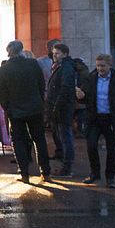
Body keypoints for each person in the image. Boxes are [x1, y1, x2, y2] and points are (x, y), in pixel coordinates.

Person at [0, 40, 51, 184]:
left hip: (15, 111)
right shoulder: (33, 64)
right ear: (21, 50)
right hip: (35, 108)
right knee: (39, 139)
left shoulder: (4, 69)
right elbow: (41, 84)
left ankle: (24, 173)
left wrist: (7, 107)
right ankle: (45, 172)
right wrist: (39, 100)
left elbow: (2, 93)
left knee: (19, 141)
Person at [81, 54, 115, 189]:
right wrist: (80, 96)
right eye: (98, 66)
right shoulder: (90, 79)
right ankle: (94, 173)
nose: (100, 69)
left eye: (103, 66)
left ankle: (110, 177)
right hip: (95, 118)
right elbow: (85, 99)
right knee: (91, 146)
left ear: (110, 65)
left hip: (111, 119)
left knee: (112, 149)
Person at [47, 43, 76, 177]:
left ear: (65, 54)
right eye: (54, 53)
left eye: (57, 53)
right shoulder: (60, 67)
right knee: (63, 136)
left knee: (65, 137)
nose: (54, 56)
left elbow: (65, 88)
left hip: (62, 108)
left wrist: (56, 106)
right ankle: (65, 164)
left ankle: (67, 166)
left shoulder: (66, 67)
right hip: (60, 107)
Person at [37, 38, 61, 157]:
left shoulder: (66, 63)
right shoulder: (41, 62)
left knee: (60, 126)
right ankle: (59, 150)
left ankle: (61, 151)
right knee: (53, 125)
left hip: (59, 96)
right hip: (47, 96)